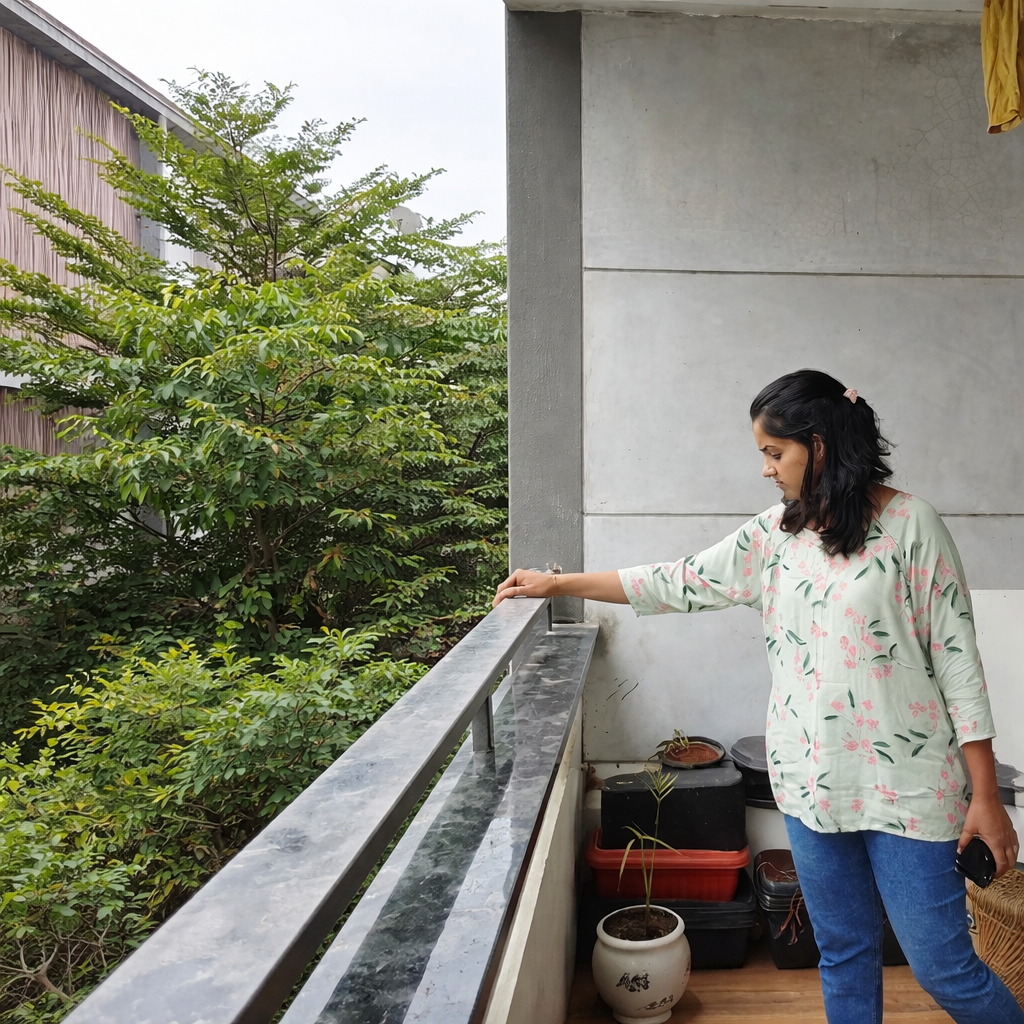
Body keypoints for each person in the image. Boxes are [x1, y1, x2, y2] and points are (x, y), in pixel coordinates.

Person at [493, 369, 1022, 1024]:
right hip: (807, 785)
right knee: (843, 952)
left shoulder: (914, 527)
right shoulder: (775, 535)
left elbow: (960, 666)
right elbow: (677, 580)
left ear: (819, 445)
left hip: (908, 789)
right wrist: (557, 584)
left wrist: (988, 800)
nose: (766, 470)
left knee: (945, 967)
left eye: (775, 453)